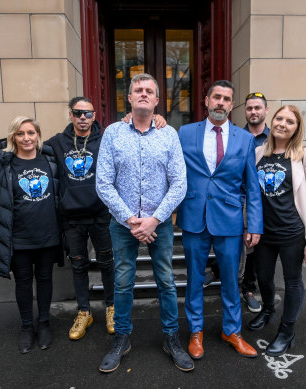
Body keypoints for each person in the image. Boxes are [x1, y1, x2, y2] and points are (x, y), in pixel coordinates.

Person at [0, 99, 167, 341]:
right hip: (71, 218)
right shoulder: (56, 144)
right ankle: (84, 311)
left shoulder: (107, 138)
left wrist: (157, 119)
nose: (83, 117)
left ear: (94, 115)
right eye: (78, 113)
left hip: (102, 214)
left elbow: (132, 136)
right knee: (78, 265)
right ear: (70, 115)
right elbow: (25, 148)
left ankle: (111, 308)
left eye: (87, 113)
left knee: (107, 263)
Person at [96, 73, 193, 373]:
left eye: (149, 90)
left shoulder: (169, 134)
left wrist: (153, 220)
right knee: (123, 283)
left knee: (166, 281)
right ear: (128, 97)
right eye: (137, 89)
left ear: (156, 100)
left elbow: (179, 183)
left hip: (160, 224)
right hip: (122, 225)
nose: (143, 93)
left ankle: (171, 337)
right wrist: (131, 220)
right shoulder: (113, 133)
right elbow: (103, 182)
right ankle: (122, 338)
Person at [177, 80, 263, 360]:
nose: (221, 103)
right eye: (216, 97)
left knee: (230, 280)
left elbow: (252, 186)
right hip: (194, 217)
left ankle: (232, 331)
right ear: (206, 100)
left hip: (230, 219)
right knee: (194, 279)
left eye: (227, 99)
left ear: (232, 105)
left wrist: (255, 225)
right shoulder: (185, 133)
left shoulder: (245, 139)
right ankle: (196, 331)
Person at [0, 116, 64, 354]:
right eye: (20, 133)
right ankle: (27, 326)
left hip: (48, 234)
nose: (26, 138)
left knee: (46, 279)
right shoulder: (2, 164)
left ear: (38, 135)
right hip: (18, 237)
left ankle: (45, 322)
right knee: (24, 282)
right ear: (12, 137)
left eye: (31, 133)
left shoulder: (50, 159)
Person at [249, 105, 306, 356]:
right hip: (264, 232)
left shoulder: (304, 155)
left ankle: (286, 331)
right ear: (273, 121)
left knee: (292, 282)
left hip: (292, 231)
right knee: (264, 278)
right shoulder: (259, 152)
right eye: (279, 118)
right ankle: (268, 309)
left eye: (289, 121)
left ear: (296, 128)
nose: (282, 124)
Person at [204, 92, 271, 313]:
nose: (253, 112)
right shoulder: (236, 136)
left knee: (255, 248)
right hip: (238, 201)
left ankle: (247, 287)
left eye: (258, 108)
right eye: (249, 108)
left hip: (269, 203)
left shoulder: (274, 138)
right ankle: (235, 281)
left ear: (265, 111)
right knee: (240, 248)